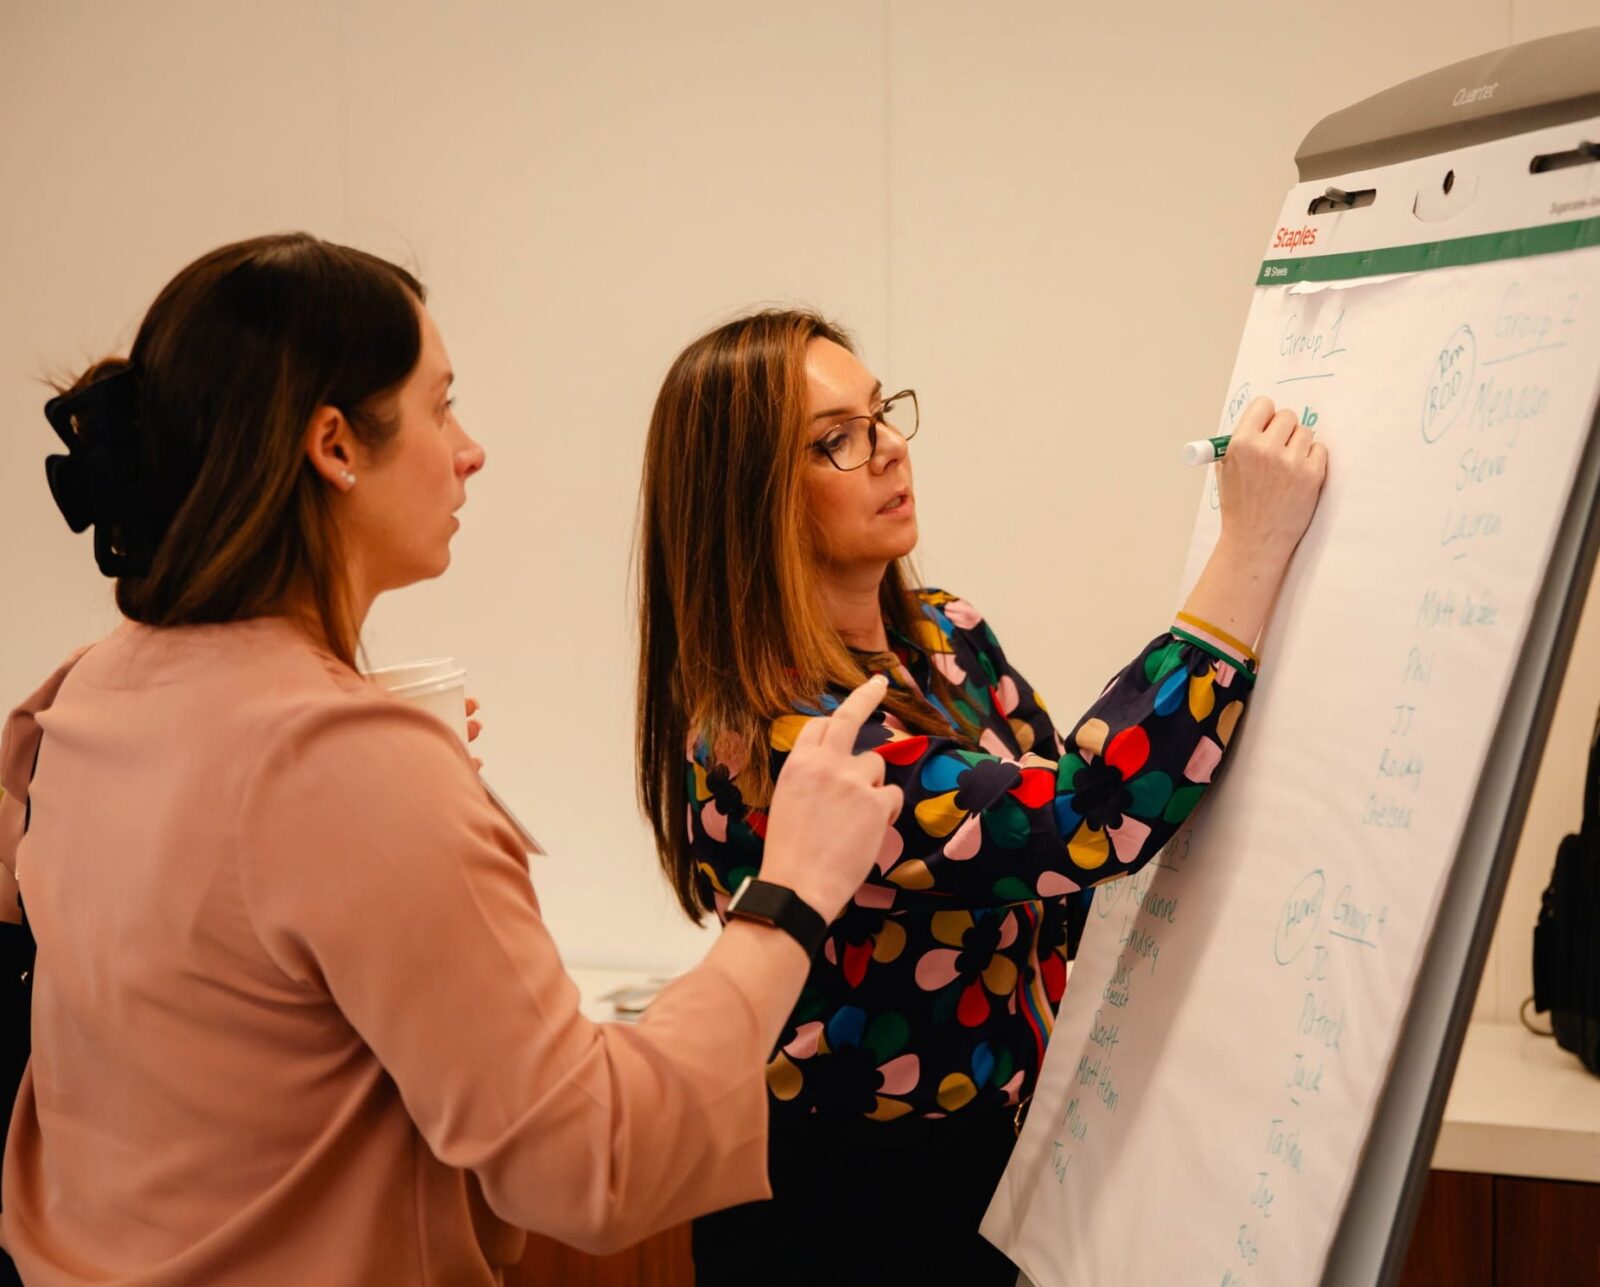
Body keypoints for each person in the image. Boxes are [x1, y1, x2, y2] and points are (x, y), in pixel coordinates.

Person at [0, 236, 903, 1286]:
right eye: (441, 406)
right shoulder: (337, 761)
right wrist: (788, 895)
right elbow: (591, 1161)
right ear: (334, 446)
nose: (470, 450)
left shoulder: (83, 695)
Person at [636, 309, 1328, 1285]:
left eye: (880, 416)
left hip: (993, 1149)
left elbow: (1065, 867)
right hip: (841, 1199)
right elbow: (1088, 818)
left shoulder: (946, 633)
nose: (887, 451)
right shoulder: (791, 735)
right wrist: (1248, 549)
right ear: (749, 497)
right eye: (837, 440)